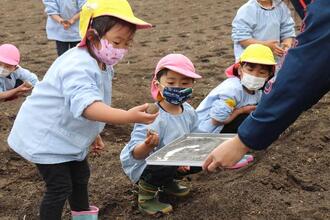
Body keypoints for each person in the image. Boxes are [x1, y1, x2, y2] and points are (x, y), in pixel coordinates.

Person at [7, 0, 157, 219]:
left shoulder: (101, 61)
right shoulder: (77, 65)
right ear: (92, 36)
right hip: (45, 137)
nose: (122, 49)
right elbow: (88, 106)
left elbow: (92, 101)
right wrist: (127, 116)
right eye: (116, 41)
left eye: (127, 43)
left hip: (66, 134)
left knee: (80, 175)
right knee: (60, 187)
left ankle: (83, 215)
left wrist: (93, 132)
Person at [203, 0, 330, 172]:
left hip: (273, 61)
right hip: (258, 56)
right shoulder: (232, 89)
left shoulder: (283, 9)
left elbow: (303, 74)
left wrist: (242, 142)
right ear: (240, 69)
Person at [120, 54, 203, 215]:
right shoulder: (152, 115)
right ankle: (146, 198)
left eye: (184, 83)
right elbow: (135, 154)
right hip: (144, 164)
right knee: (165, 162)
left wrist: (189, 157)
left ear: (193, 85)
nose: (178, 87)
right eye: (171, 83)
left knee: (200, 159)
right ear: (158, 85)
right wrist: (148, 144)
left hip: (172, 158)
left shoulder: (189, 111)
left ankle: (167, 182)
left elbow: (194, 138)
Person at [196, 44, 276, 168]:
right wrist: (241, 110)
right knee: (246, 119)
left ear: (269, 76)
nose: (255, 76)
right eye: (250, 70)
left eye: (262, 72)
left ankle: (235, 149)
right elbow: (217, 120)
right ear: (239, 69)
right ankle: (228, 154)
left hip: (220, 126)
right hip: (205, 132)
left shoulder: (257, 91)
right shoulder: (233, 90)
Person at [231, 0, 296, 68]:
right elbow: (242, 38)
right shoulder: (247, 9)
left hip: (273, 59)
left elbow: (287, 29)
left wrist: (287, 44)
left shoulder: (281, 7)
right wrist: (266, 46)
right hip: (250, 60)